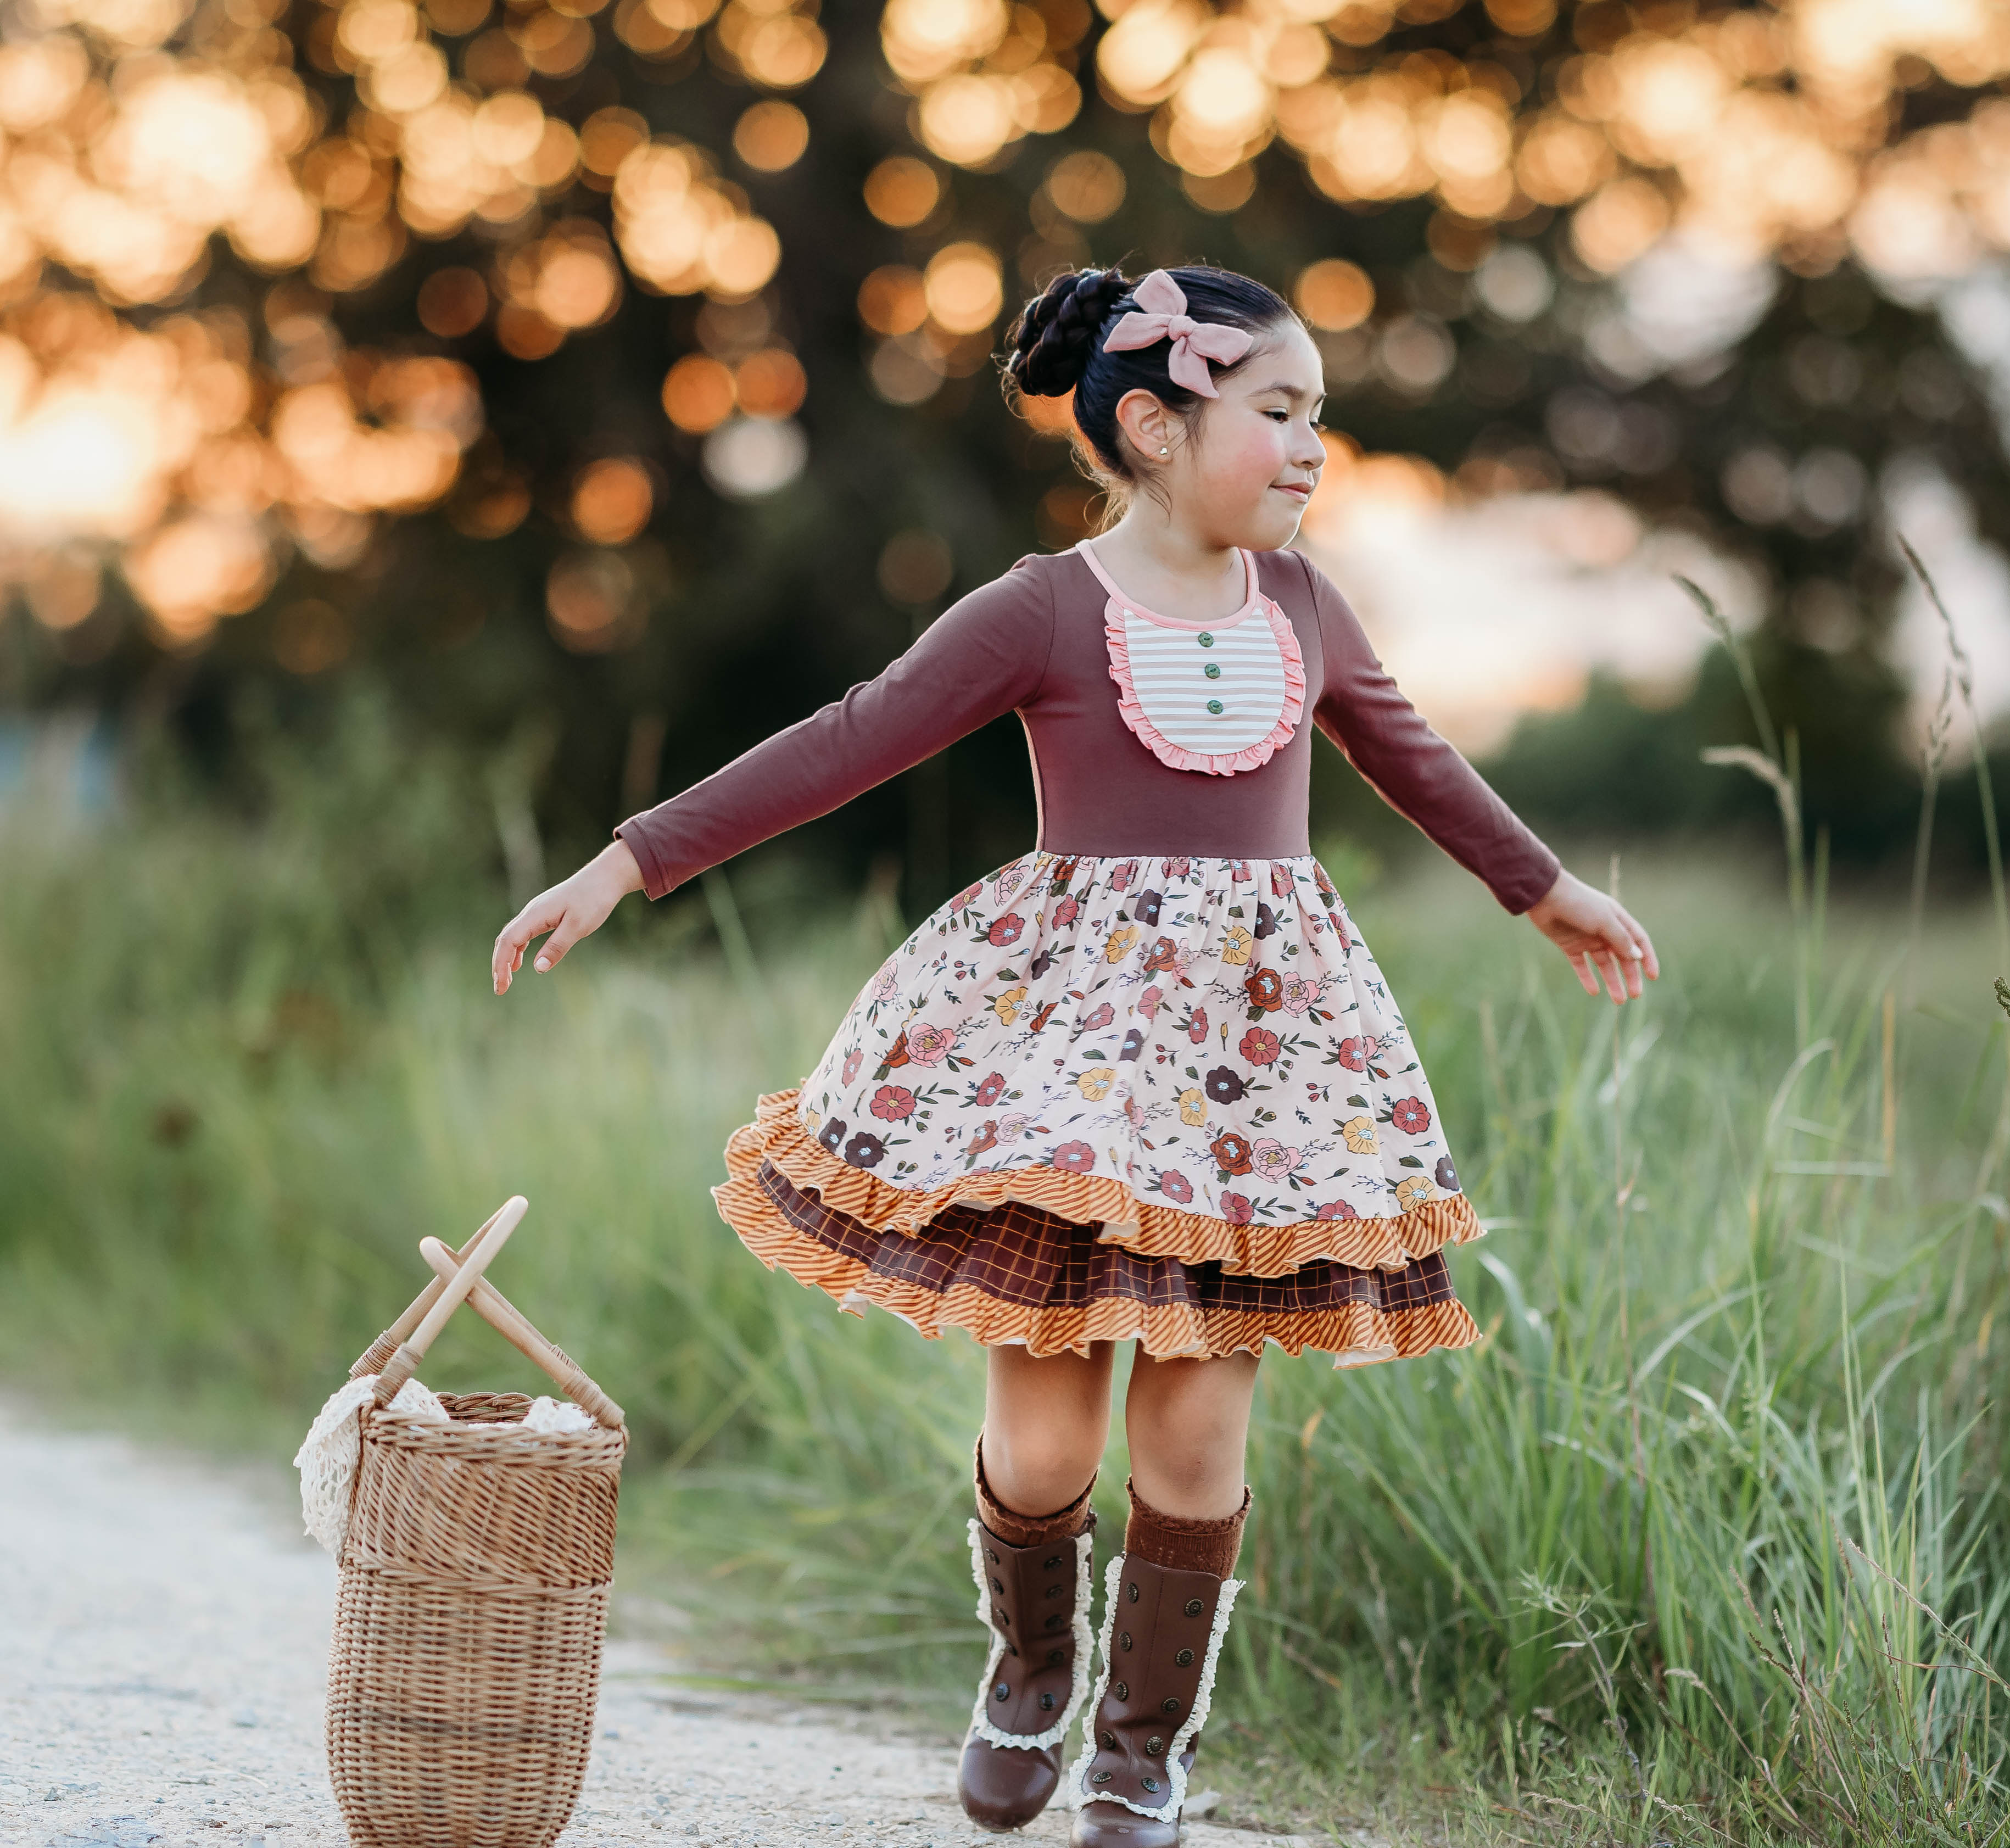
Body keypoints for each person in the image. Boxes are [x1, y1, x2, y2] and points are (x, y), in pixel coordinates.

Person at [491, 263, 1657, 1846]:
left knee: (1195, 1429)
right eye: (1281, 413)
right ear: (1154, 426)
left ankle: (1141, 1747)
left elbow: (1415, 755)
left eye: (1322, 415)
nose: (1316, 447)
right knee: (1045, 1443)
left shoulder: (1306, 607)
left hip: (1260, 1076)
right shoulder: (1044, 609)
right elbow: (850, 736)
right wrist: (632, 860)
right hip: (1067, 1065)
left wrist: (1549, 887)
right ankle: (1029, 1669)